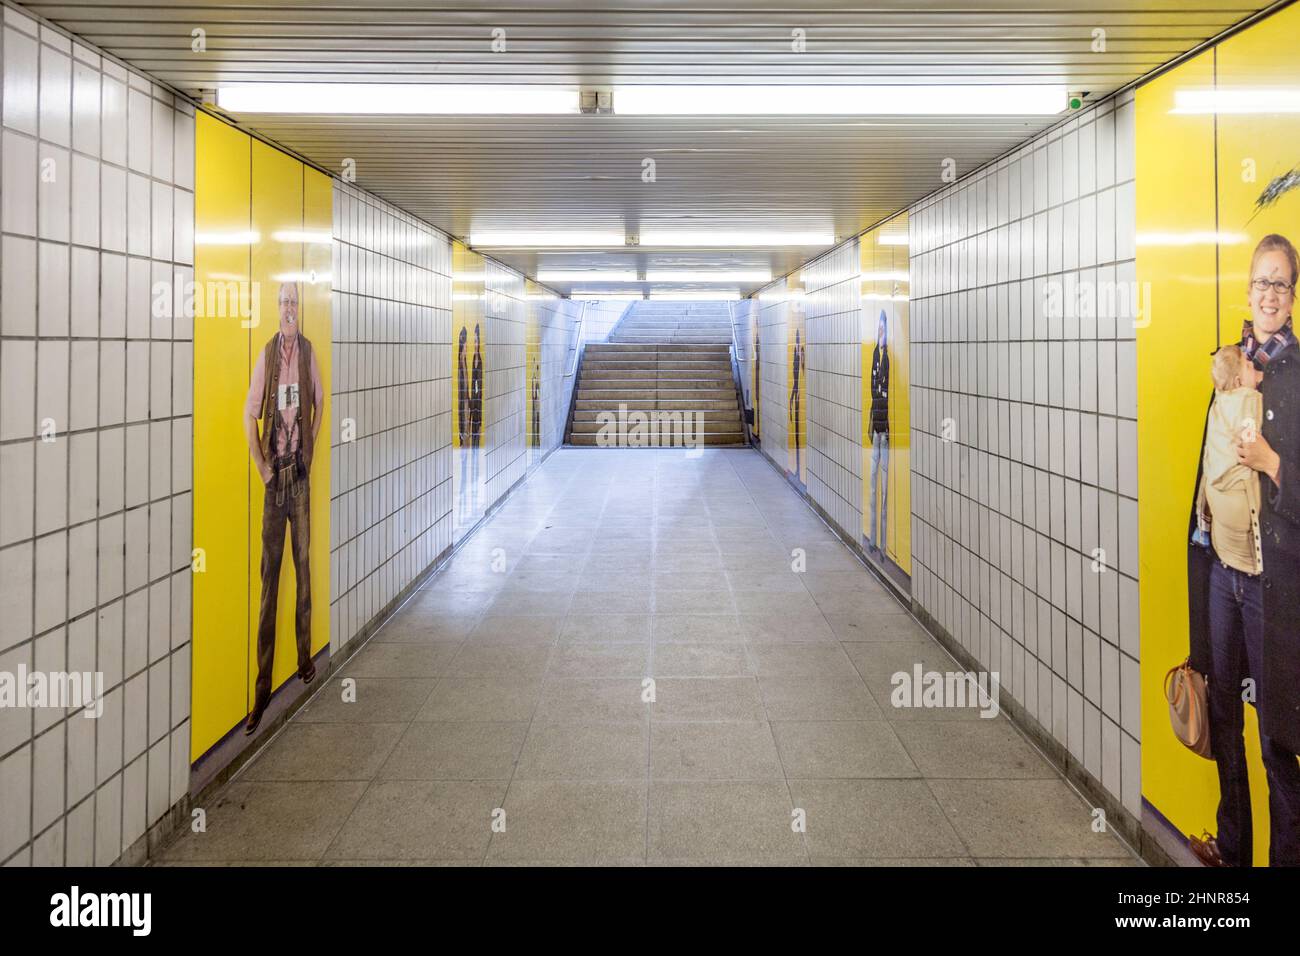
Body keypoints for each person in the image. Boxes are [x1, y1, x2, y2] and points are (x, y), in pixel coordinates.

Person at [1187, 234, 1300, 867]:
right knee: (1226, 715)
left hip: (1272, 583)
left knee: (1276, 738)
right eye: (1261, 281)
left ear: (1292, 296)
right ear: (1248, 288)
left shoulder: (1298, 375)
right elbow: (1207, 459)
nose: (1268, 295)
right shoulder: (1230, 365)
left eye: (1280, 284)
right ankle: (1234, 857)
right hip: (1221, 569)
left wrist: (1272, 462)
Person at [242, 282, 323, 735]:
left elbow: (321, 399)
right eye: (283, 303)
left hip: (301, 479)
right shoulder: (268, 355)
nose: (289, 309)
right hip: (276, 484)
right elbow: (247, 415)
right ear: (276, 310)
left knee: (304, 568)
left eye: (294, 302)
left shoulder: (308, 351)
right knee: (269, 579)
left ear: (300, 308)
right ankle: (262, 689)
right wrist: (262, 469)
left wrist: (307, 454)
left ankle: (305, 656)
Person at [868, 310, 890, 554]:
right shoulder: (875, 355)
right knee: (873, 487)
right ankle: (873, 541)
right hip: (875, 430)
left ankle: (884, 546)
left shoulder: (888, 360)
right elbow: (872, 396)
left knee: (885, 489)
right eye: (878, 328)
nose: (880, 332)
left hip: (887, 434)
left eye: (883, 328)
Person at [789, 329, 804, 480]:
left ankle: (799, 468)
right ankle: (797, 467)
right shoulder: (795, 355)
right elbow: (795, 381)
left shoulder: (802, 354)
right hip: (797, 397)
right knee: (797, 435)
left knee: (800, 436)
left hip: (801, 399)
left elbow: (803, 373)